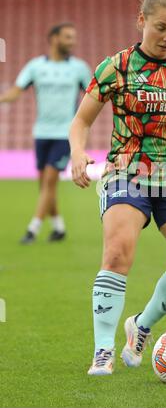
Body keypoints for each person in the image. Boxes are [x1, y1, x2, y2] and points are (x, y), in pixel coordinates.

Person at [69, 0, 166, 376]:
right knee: (117, 252)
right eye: (160, 27)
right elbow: (80, 121)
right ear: (141, 20)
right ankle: (103, 351)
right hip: (127, 172)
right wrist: (78, 151)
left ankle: (142, 325)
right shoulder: (114, 67)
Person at [0, 23, 92, 244]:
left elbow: (93, 97)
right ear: (53, 38)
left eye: (74, 37)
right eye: (68, 37)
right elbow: (14, 92)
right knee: (44, 185)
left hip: (65, 134)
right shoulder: (35, 66)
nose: (72, 42)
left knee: (50, 181)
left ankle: (33, 229)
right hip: (41, 132)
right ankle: (59, 227)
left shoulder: (79, 68)